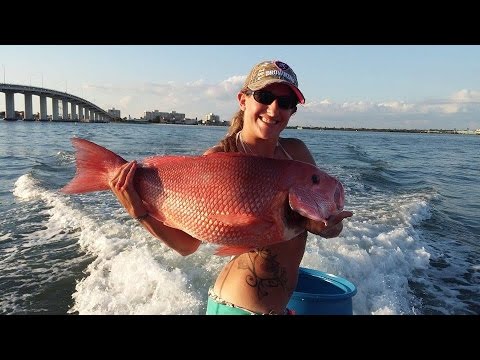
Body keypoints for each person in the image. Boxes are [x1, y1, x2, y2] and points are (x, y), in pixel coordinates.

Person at [108, 60, 353, 315]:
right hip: (237, 308)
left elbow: (323, 224)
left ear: (292, 111)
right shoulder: (219, 158)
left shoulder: (297, 155)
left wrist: (327, 226)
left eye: (285, 102)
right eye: (265, 96)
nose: (273, 109)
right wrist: (140, 212)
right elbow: (187, 246)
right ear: (243, 100)